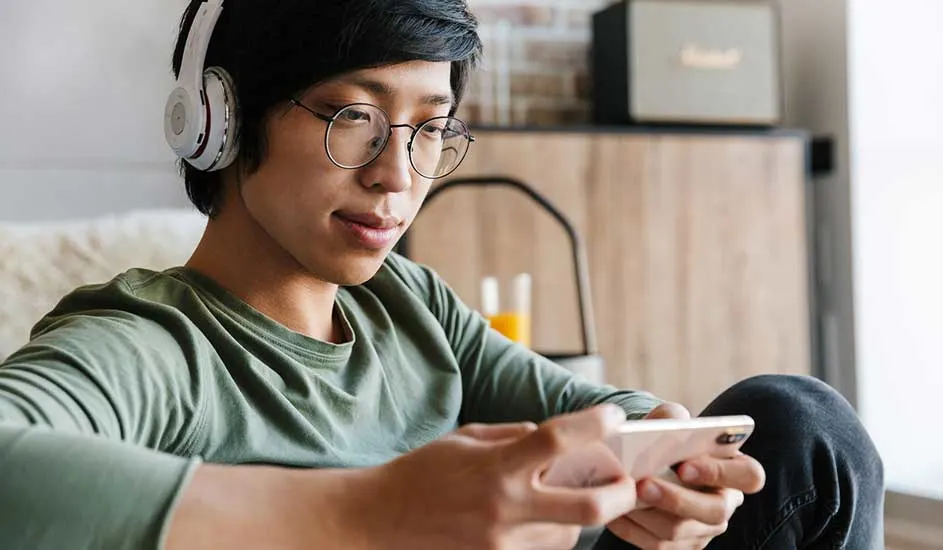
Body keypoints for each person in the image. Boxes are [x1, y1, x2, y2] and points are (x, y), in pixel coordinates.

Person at [0, 1, 885, 549]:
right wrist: (365, 517)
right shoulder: (152, 348)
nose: (396, 175)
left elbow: (584, 408)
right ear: (220, 121)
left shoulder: (406, 302)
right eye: (354, 116)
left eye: (430, 128)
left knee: (800, 424)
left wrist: (665, 452)